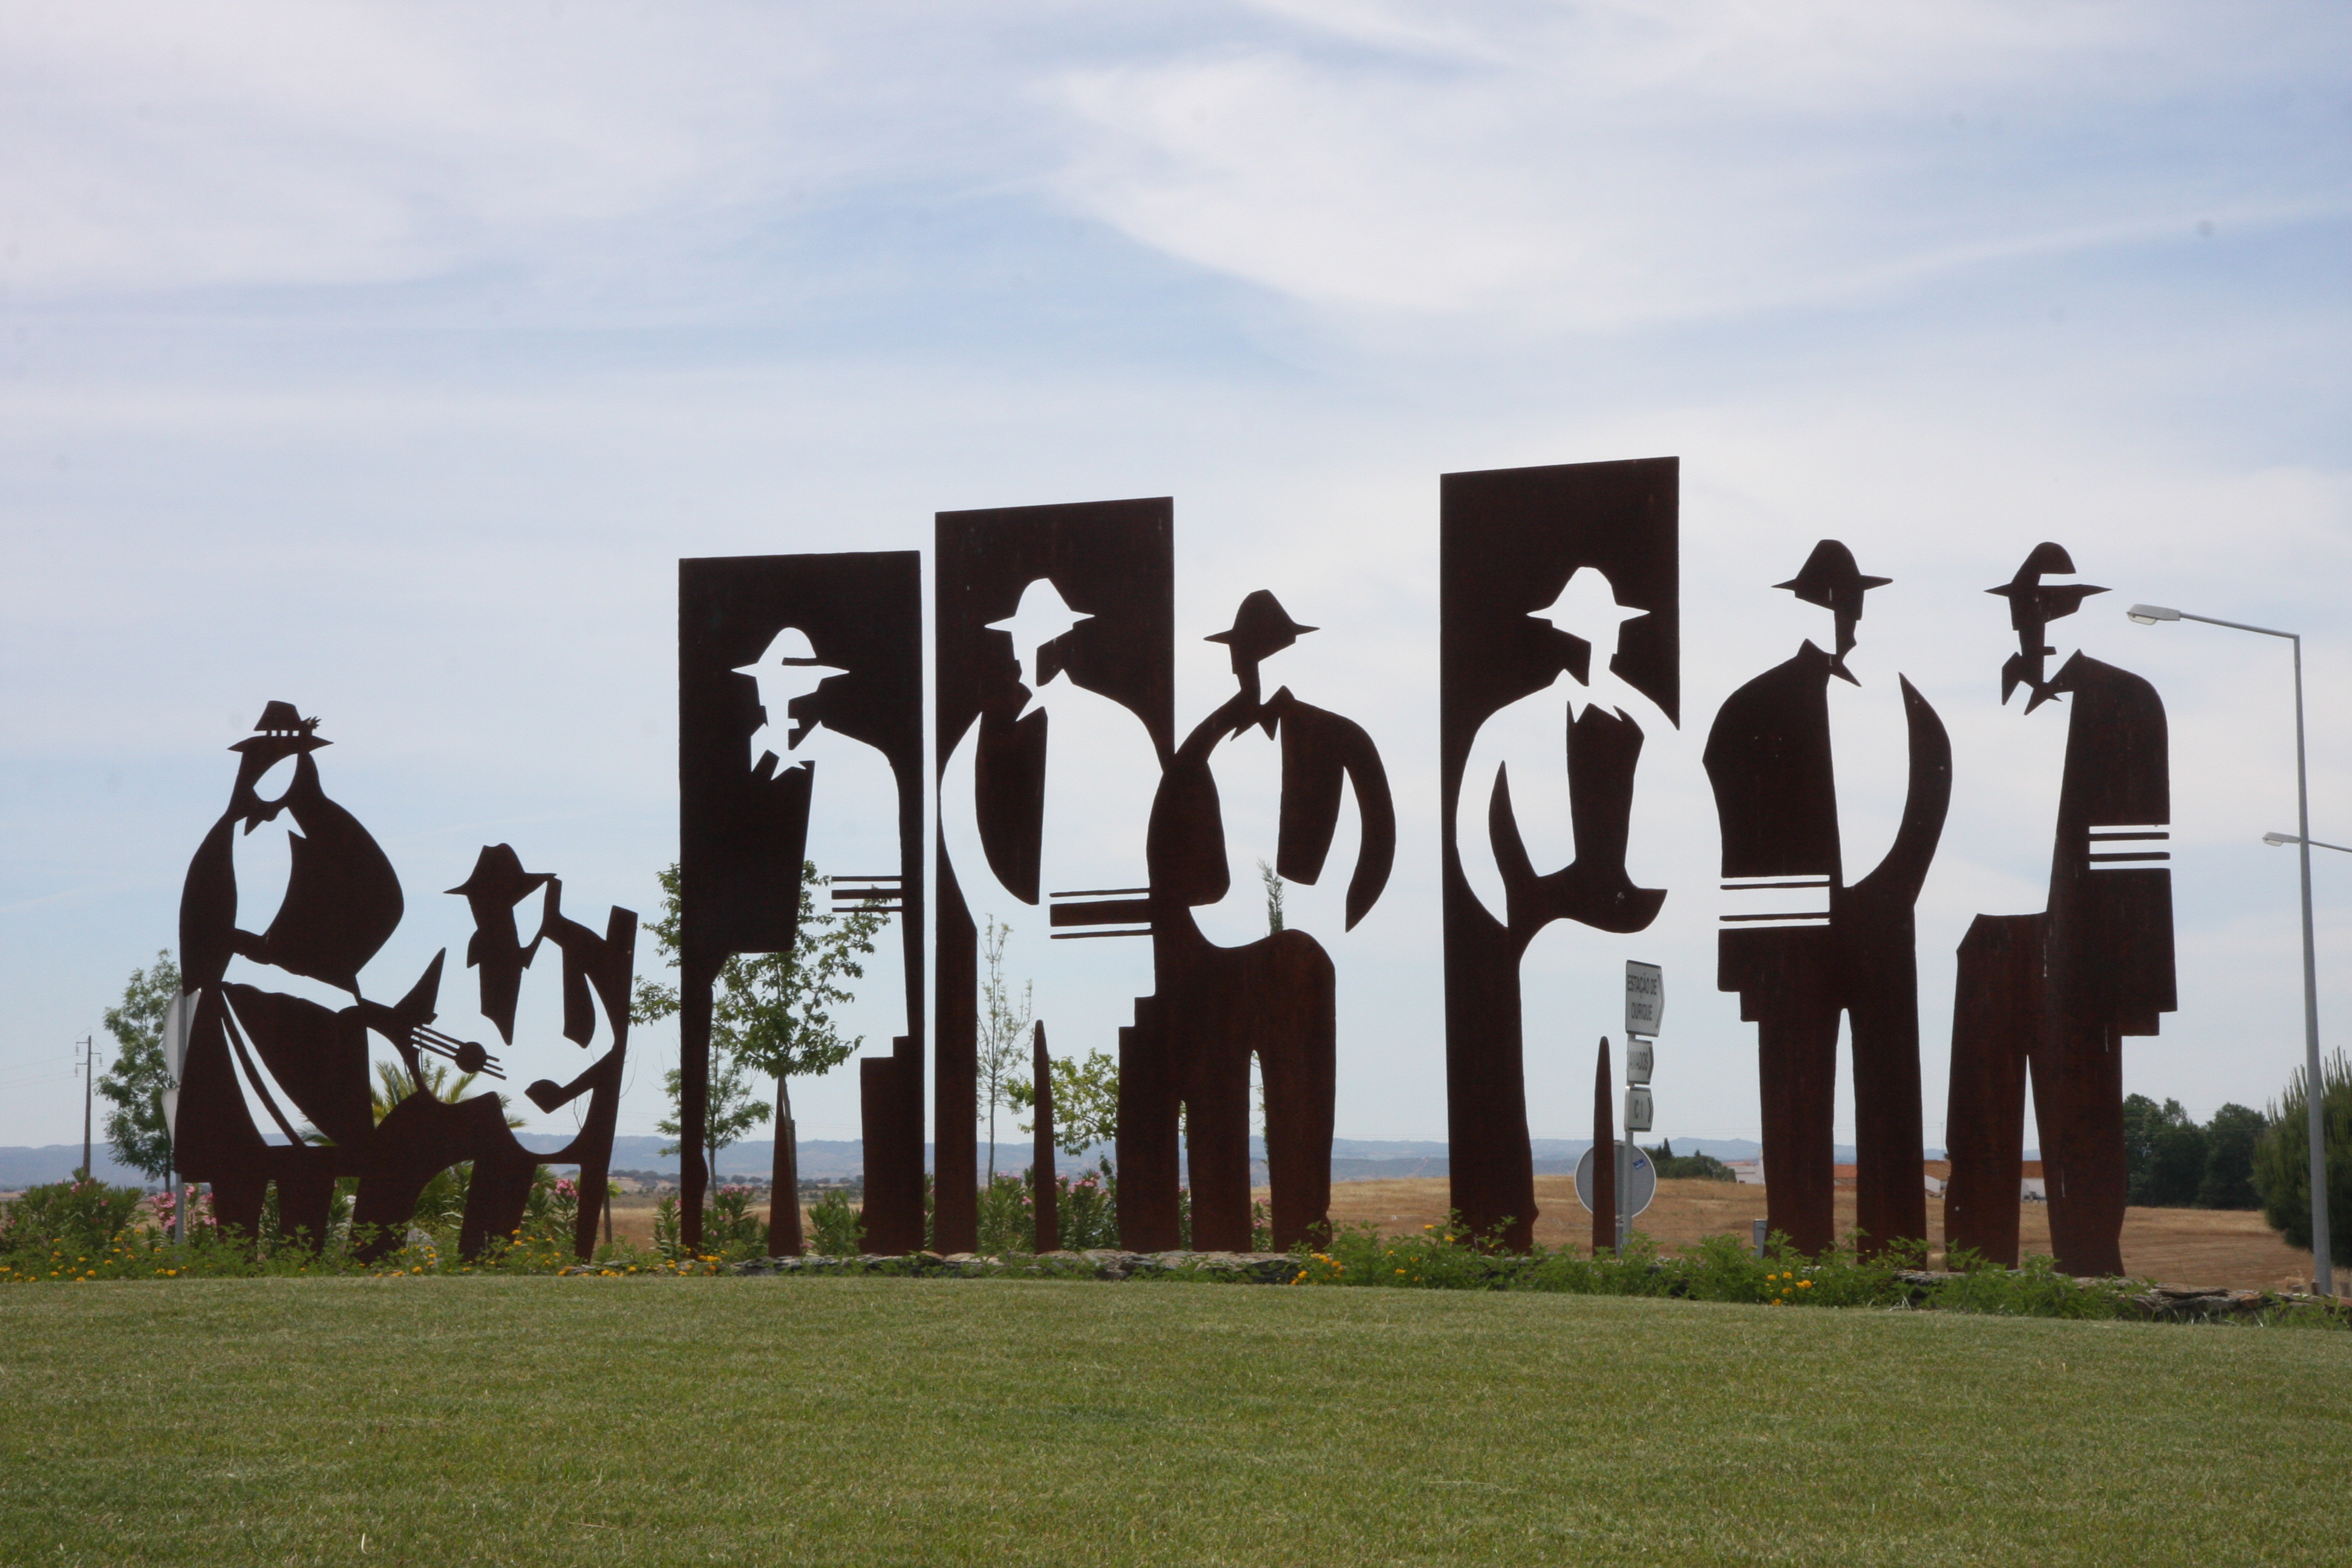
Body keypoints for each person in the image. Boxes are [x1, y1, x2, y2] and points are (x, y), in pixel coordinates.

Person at [1704, 543, 1950, 1258]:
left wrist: (1888, 896)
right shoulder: (1754, 709)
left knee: (1892, 1107)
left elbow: (1921, 808)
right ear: (1818, 604)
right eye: (1841, 598)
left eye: (1856, 598)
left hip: (1877, 929)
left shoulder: (1881, 706)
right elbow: (1738, 838)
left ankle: (1894, 1251)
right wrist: (1751, 960)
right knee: (1797, 1115)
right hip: (1791, 940)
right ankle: (1801, 1250)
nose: (1851, 613)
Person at [1138, 590, 1395, 1250]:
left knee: (1300, 1115)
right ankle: (1221, 1243)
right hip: (1211, 952)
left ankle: (1303, 1239)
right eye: (1236, 655)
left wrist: (1337, 919)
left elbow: (1378, 836)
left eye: (1247, 653)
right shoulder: (1202, 748)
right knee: (1216, 1115)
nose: (1237, 669)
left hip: (1298, 952)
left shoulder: (1336, 734)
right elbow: (1166, 851)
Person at [1944, 544, 2172, 1275]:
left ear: (2068, 609)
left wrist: (2136, 993)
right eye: (2018, 604)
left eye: (2039, 604)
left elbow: (2141, 864)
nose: (2026, 618)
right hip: (1985, 944)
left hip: (2083, 951)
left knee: (2084, 1138)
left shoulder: (2125, 701)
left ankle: (2091, 1272)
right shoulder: (1983, 701)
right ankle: (1979, 1275)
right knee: (1976, 1134)